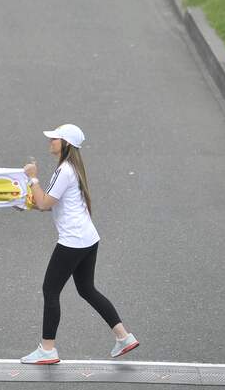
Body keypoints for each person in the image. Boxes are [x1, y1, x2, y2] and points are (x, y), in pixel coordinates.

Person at [20, 123, 138, 364]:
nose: (50, 141)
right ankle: (124, 337)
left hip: (73, 241)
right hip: (88, 239)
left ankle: (47, 349)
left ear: (66, 144)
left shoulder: (65, 171)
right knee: (86, 289)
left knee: (50, 290)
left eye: (55, 138)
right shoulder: (69, 168)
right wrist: (25, 203)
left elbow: (45, 203)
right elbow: (48, 204)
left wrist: (32, 178)